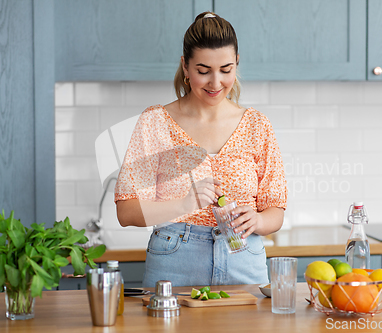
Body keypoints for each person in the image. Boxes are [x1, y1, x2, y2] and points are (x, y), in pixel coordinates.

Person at [115, 11, 287, 287]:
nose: (216, 83)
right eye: (203, 71)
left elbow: (275, 211)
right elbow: (126, 212)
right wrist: (184, 204)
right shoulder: (156, 122)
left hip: (245, 258)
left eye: (226, 70)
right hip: (175, 261)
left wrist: (257, 221)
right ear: (185, 66)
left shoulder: (257, 125)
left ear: (237, 64)